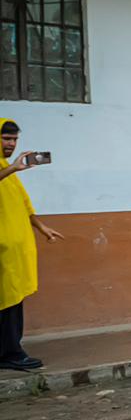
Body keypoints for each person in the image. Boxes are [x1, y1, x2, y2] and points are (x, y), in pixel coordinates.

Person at [0, 119, 63, 371]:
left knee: (13, 301)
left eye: (14, 139)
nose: (11, 144)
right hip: (3, 250)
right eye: (6, 138)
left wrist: (41, 226)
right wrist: (11, 169)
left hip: (14, 250)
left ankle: (10, 350)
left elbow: (23, 203)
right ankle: (10, 353)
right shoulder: (7, 170)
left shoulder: (6, 168)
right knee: (6, 302)